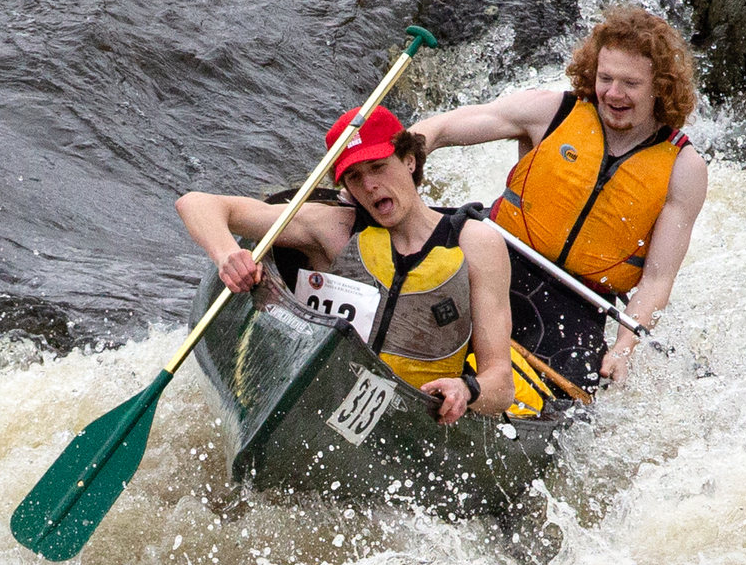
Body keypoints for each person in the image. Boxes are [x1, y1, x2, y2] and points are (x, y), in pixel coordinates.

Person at [411, 4, 708, 391]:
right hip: (494, 255)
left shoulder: (684, 168)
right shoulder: (551, 111)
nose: (613, 94)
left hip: (575, 306)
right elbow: (444, 128)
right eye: (605, 78)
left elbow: (656, 280)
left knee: (566, 394)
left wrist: (622, 348)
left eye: (630, 84)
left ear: (660, 87)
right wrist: (405, 152)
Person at [175, 105, 516, 425]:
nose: (369, 186)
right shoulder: (332, 229)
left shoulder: (476, 245)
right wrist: (225, 254)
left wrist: (465, 391)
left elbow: (501, 385)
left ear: (409, 160)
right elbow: (196, 203)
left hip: (418, 422)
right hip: (324, 409)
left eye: (379, 167)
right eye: (354, 177)